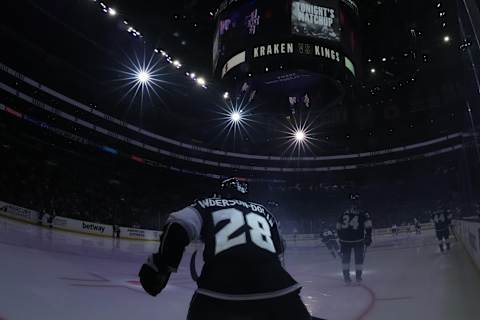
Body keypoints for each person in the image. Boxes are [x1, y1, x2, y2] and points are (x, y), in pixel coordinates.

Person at [138, 177, 312, 320]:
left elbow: (179, 224)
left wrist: (163, 266)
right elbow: (280, 247)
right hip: (281, 293)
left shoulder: (208, 204)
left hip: (219, 295)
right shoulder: (264, 212)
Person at [336, 193, 372, 284]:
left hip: (345, 240)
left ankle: (346, 278)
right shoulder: (364, 213)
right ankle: (358, 277)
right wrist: (368, 236)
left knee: (345, 260)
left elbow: (338, 227)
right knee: (359, 259)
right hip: (358, 240)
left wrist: (340, 237)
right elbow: (368, 226)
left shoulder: (343, 213)